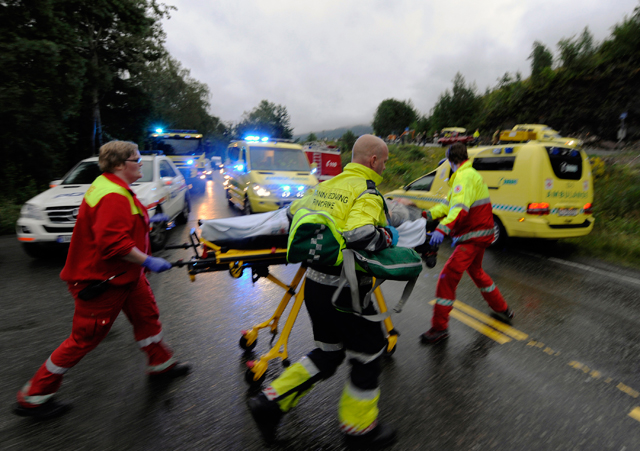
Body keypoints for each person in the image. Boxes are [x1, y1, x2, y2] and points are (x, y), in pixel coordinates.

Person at [14, 141, 191, 420]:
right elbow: (114, 245)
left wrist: (148, 222)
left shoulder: (113, 186)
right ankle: (34, 395)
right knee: (84, 338)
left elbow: (122, 224)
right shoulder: (112, 195)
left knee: (147, 317)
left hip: (125, 277)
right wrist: (148, 260)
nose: (140, 163)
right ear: (120, 164)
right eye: (136, 159)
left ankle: (160, 363)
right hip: (101, 280)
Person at [247, 135, 397, 448]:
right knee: (369, 354)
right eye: (384, 161)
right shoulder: (367, 192)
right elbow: (361, 234)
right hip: (347, 292)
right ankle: (360, 432)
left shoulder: (326, 185)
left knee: (329, 354)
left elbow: (292, 215)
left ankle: (269, 402)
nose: (384, 166)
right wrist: (389, 236)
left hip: (316, 287)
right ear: (373, 161)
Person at [419, 143, 514, 344]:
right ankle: (502, 308)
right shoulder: (467, 176)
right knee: (477, 273)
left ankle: (439, 329)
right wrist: (427, 215)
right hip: (479, 235)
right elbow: (447, 205)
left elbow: (459, 210)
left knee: (447, 278)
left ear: (450, 161)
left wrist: (442, 229)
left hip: (472, 237)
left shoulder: (463, 177)